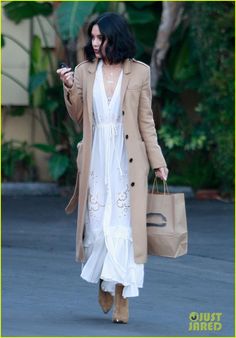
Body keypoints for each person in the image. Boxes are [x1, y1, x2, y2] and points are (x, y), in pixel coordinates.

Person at [57, 12, 168, 324]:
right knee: (96, 227)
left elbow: (146, 120)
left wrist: (157, 160)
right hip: (96, 157)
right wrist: (69, 87)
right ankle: (104, 281)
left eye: (100, 38)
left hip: (126, 158)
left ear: (114, 38)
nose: (94, 43)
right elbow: (78, 114)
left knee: (123, 227)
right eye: (92, 38)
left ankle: (121, 295)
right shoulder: (84, 70)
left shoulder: (140, 73)